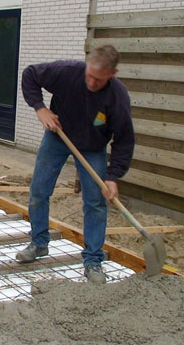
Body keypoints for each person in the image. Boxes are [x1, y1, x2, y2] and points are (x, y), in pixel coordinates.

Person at [17, 45, 134, 283]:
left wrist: (112, 177)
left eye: (98, 79)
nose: (91, 82)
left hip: (93, 148)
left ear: (113, 73)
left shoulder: (117, 98)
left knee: (95, 202)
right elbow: (30, 74)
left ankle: (93, 260)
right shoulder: (67, 72)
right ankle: (39, 243)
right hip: (58, 136)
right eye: (89, 75)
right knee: (39, 191)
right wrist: (40, 109)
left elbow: (124, 140)